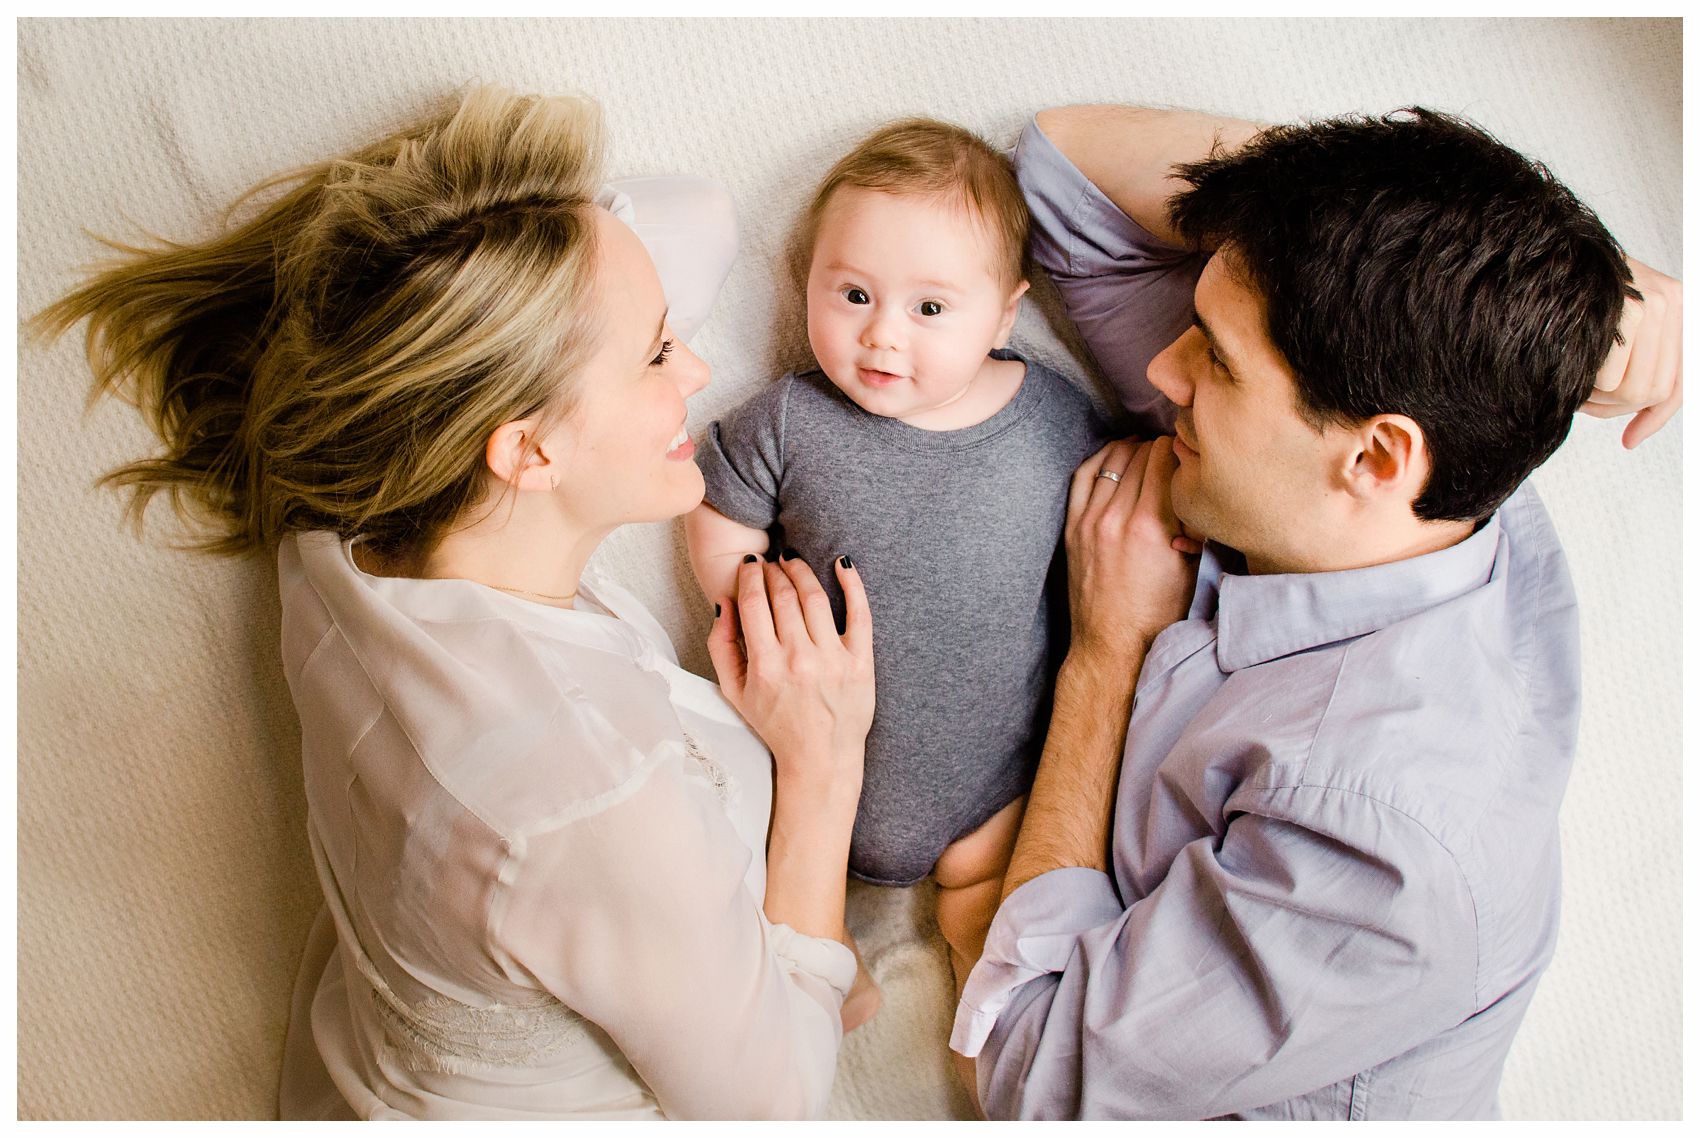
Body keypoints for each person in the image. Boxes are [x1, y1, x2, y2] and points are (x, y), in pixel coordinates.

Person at [35, 85, 876, 1120]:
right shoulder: (591, 801)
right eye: (658, 351)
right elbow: (774, 1104)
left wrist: (547, 269)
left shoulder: (341, 530)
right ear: (528, 449)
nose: (699, 364)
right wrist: (824, 765)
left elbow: (693, 214)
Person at [950, 104, 1682, 1119]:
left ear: (1375, 458)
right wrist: (1580, 276)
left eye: (1211, 357)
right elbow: (1068, 175)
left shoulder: (1378, 855)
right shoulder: (1439, 426)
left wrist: (1103, 657)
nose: (1165, 371)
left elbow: (1025, 1067)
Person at [682, 119, 1106, 1036]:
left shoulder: (1053, 423)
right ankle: (830, 958)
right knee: (753, 863)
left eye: (929, 310)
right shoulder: (791, 418)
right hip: (809, 769)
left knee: (990, 891)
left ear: (1003, 315)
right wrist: (746, 595)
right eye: (854, 294)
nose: (880, 337)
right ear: (808, 282)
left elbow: (1096, 542)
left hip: (991, 779)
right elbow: (716, 507)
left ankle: (968, 949)